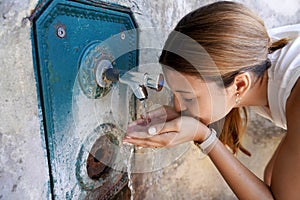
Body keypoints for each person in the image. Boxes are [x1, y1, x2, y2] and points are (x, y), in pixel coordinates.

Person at [123, 1, 300, 199]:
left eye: (188, 97)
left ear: (240, 85)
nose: (176, 106)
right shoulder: (253, 53)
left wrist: (205, 137)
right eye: (176, 94)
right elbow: (276, 184)